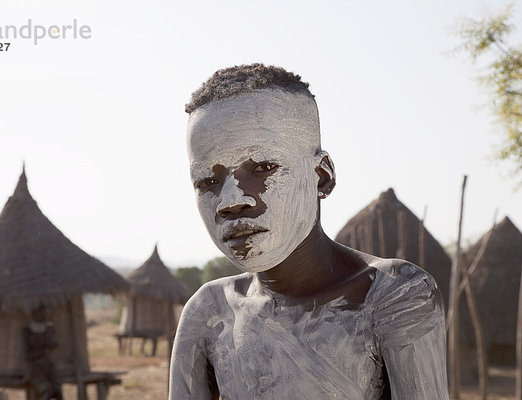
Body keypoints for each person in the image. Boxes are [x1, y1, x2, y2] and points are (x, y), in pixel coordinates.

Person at [169, 64, 449, 399]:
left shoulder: (391, 295)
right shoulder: (210, 312)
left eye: (262, 168)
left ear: (321, 176)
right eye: (207, 182)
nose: (229, 201)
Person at [22, 305, 62, 400]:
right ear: (34, 314)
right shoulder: (27, 331)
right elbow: (27, 354)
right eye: (40, 313)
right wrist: (41, 352)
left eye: (44, 313)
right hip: (34, 369)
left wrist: (50, 335)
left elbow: (54, 345)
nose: (43, 315)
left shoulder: (48, 329)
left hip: (47, 368)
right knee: (45, 391)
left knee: (57, 390)